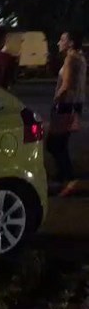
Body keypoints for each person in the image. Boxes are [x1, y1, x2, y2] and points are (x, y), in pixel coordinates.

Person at [47, 30, 86, 197]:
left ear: (70, 43)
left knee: (54, 144)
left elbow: (67, 84)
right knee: (60, 143)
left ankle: (69, 180)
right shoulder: (80, 57)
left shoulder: (71, 59)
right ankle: (62, 177)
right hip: (74, 105)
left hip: (65, 106)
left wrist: (55, 101)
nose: (58, 43)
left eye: (62, 40)